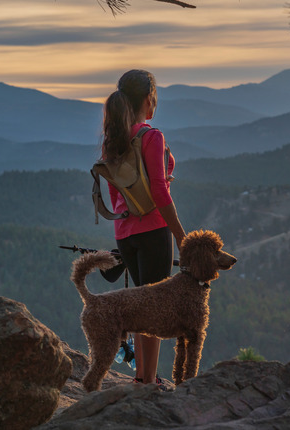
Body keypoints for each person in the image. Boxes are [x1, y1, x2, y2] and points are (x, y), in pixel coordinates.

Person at [101, 69, 186, 385]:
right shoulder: (151, 136)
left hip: (125, 235)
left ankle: (143, 378)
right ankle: (147, 382)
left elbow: (115, 193)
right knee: (156, 308)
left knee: (142, 307)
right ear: (150, 99)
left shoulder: (115, 139)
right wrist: (180, 236)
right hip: (153, 231)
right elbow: (160, 191)